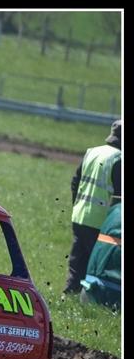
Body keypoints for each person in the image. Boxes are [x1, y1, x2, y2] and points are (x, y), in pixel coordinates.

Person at [64, 119, 121, 294]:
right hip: (101, 222)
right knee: (95, 265)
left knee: (77, 262)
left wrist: (78, 205)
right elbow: (119, 197)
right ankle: (90, 298)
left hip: (80, 215)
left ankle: (68, 294)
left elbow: (75, 181)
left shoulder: (92, 152)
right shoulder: (119, 159)